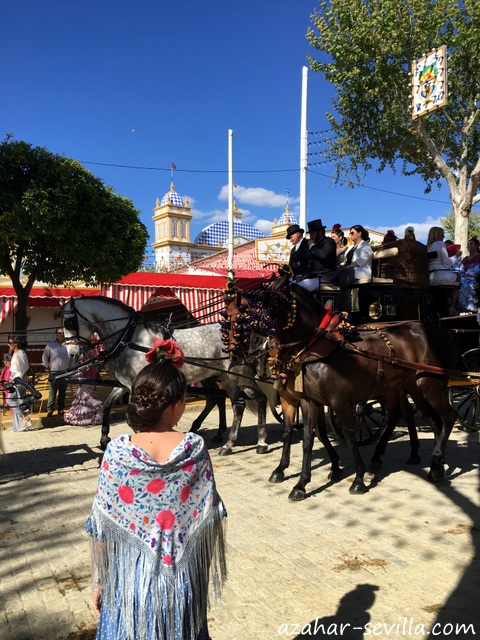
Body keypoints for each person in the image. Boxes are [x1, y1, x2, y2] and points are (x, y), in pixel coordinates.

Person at [86, 338, 227, 640]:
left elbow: (102, 527)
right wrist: (198, 585)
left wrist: (98, 582)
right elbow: (207, 524)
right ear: (176, 405)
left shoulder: (117, 452)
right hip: (181, 586)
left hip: (127, 589)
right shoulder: (195, 448)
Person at [64, 336, 104, 426]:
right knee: (94, 404)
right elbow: (81, 371)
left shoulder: (90, 358)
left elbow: (93, 370)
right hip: (85, 384)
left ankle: (89, 419)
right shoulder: (84, 359)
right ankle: (89, 419)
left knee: (88, 403)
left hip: (88, 383)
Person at [427, 226, 462, 314]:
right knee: (458, 276)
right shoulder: (439, 244)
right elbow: (447, 262)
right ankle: (452, 307)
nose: (443, 237)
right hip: (439, 274)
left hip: (430, 275)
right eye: (442, 235)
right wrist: (456, 256)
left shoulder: (428, 246)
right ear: (437, 235)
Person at [296, 218, 337, 291]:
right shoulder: (311, 244)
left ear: (320, 232)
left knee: (297, 289)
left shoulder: (328, 242)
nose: (310, 236)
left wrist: (312, 246)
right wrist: (299, 275)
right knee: (287, 288)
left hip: (323, 277)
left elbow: (324, 255)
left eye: (312, 233)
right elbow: (303, 262)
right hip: (310, 277)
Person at [42, 328, 72, 416]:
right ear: (56, 334)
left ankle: (61, 408)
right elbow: (44, 356)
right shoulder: (50, 345)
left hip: (65, 371)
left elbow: (72, 357)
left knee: (62, 392)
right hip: (53, 372)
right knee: (52, 392)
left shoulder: (68, 344)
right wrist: (46, 366)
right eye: (59, 333)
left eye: (63, 333)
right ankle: (50, 409)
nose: (61, 334)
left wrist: (72, 368)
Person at [8, 335, 31, 432]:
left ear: (16, 344)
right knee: (18, 401)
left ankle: (25, 418)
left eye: (10, 343)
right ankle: (18, 426)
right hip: (15, 377)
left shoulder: (20, 353)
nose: (8, 345)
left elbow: (24, 368)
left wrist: (15, 377)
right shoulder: (15, 353)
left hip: (18, 378)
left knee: (11, 400)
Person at [458, 236, 480, 312]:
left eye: (471, 244)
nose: (468, 245)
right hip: (463, 278)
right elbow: (461, 268)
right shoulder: (465, 259)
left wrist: (471, 274)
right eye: (468, 244)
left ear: (476, 246)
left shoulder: (478, 257)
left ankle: (471, 305)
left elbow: (478, 269)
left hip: (474, 278)